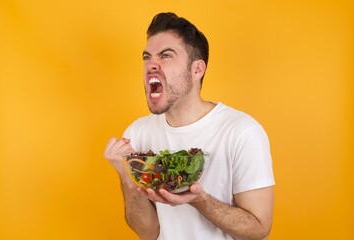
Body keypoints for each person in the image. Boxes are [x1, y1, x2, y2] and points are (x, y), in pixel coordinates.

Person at [104, 12, 275, 240]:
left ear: (197, 70)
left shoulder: (242, 132)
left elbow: (259, 228)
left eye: (165, 56)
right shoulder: (137, 134)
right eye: (147, 57)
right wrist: (127, 174)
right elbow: (148, 231)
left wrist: (199, 200)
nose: (151, 65)